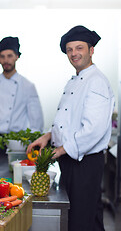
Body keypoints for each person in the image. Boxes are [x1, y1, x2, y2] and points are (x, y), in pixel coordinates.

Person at [27, 25, 114, 231]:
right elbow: (69, 119)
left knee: (80, 221)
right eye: (69, 49)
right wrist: (48, 136)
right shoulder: (75, 80)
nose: (74, 53)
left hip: (84, 163)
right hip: (72, 160)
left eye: (79, 48)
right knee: (87, 217)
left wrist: (60, 150)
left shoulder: (96, 81)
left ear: (91, 50)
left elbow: (94, 129)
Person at [0, 36, 44, 155]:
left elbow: (36, 122)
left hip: (18, 142)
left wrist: (34, 146)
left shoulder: (28, 86)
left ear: (17, 56)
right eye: (2, 56)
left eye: (10, 56)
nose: (6, 60)